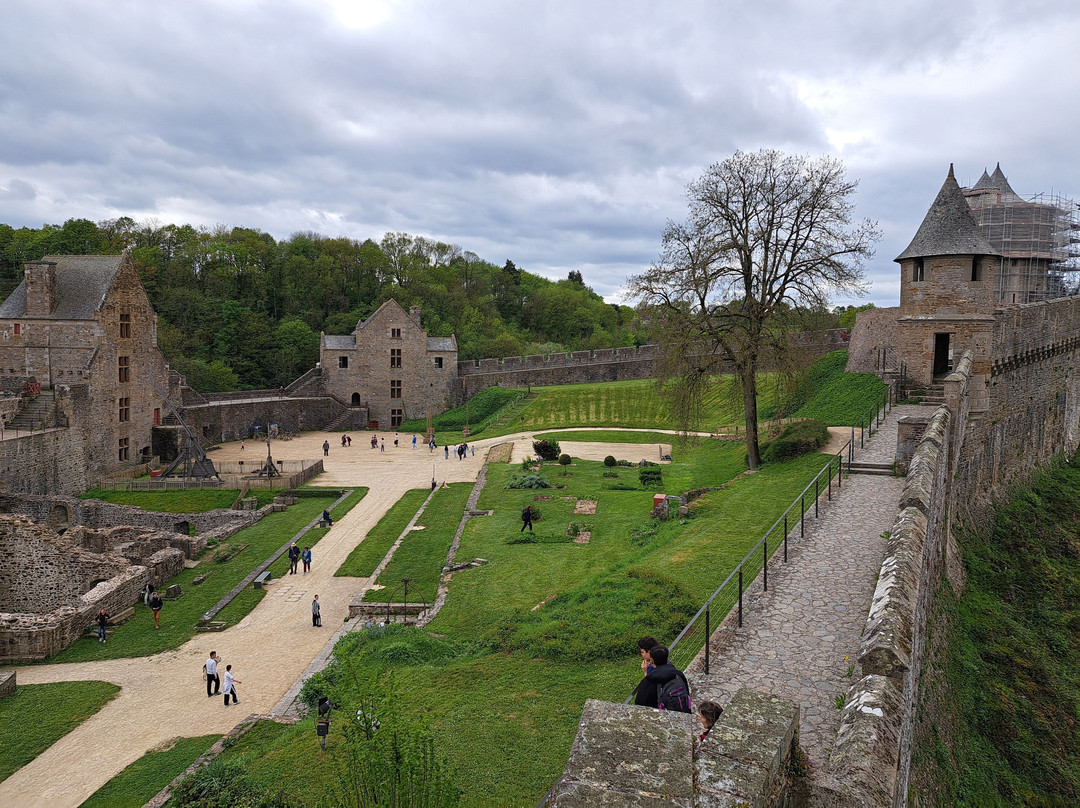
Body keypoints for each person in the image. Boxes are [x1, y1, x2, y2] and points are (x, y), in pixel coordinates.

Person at [633, 646, 691, 711]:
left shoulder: (649, 681)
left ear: (652, 660)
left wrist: (646, 673)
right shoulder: (678, 674)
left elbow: (640, 703)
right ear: (667, 659)